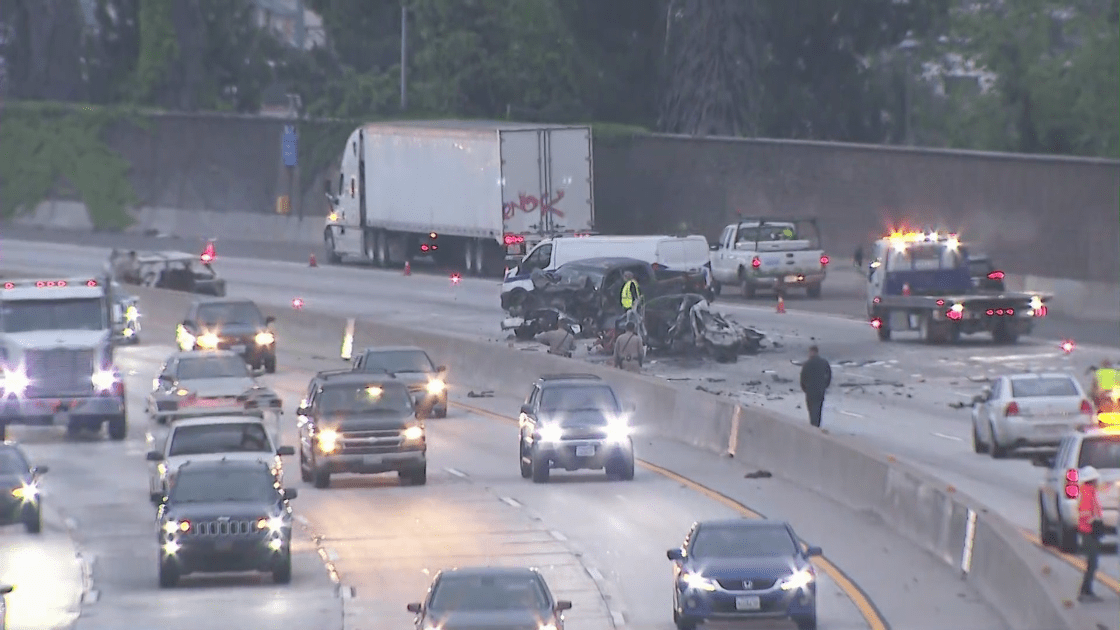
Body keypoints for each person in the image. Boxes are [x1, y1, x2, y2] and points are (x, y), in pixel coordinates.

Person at [1076, 465, 1105, 601]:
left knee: (1093, 563)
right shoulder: (1087, 492)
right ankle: (1085, 591)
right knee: (1092, 563)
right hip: (1088, 531)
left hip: (1089, 530)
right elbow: (1085, 513)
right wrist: (1094, 522)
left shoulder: (1089, 491)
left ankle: (1087, 590)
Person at [799, 345, 832, 427]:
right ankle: (817, 425)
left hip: (810, 390)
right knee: (818, 408)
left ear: (811, 352)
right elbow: (829, 375)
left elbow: (803, 377)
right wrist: (825, 385)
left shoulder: (807, 364)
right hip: (820, 390)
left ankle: (813, 425)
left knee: (811, 409)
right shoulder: (824, 362)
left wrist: (804, 388)